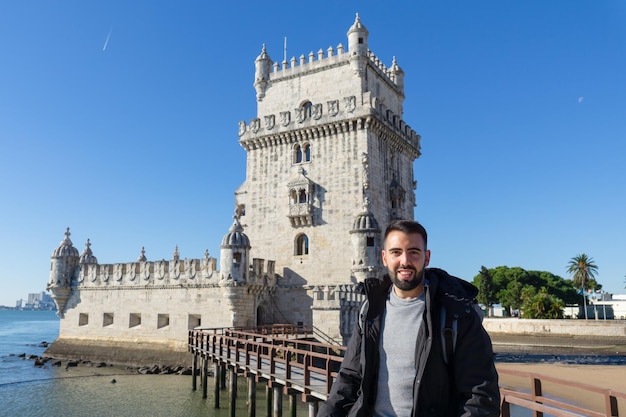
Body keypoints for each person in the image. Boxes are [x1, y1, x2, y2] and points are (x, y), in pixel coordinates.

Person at [317, 220, 500, 417]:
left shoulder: (457, 314)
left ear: (426, 257)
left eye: (414, 252)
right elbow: (349, 377)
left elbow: (479, 397)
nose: (405, 261)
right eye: (396, 252)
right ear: (384, 258)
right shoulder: (370, 310)